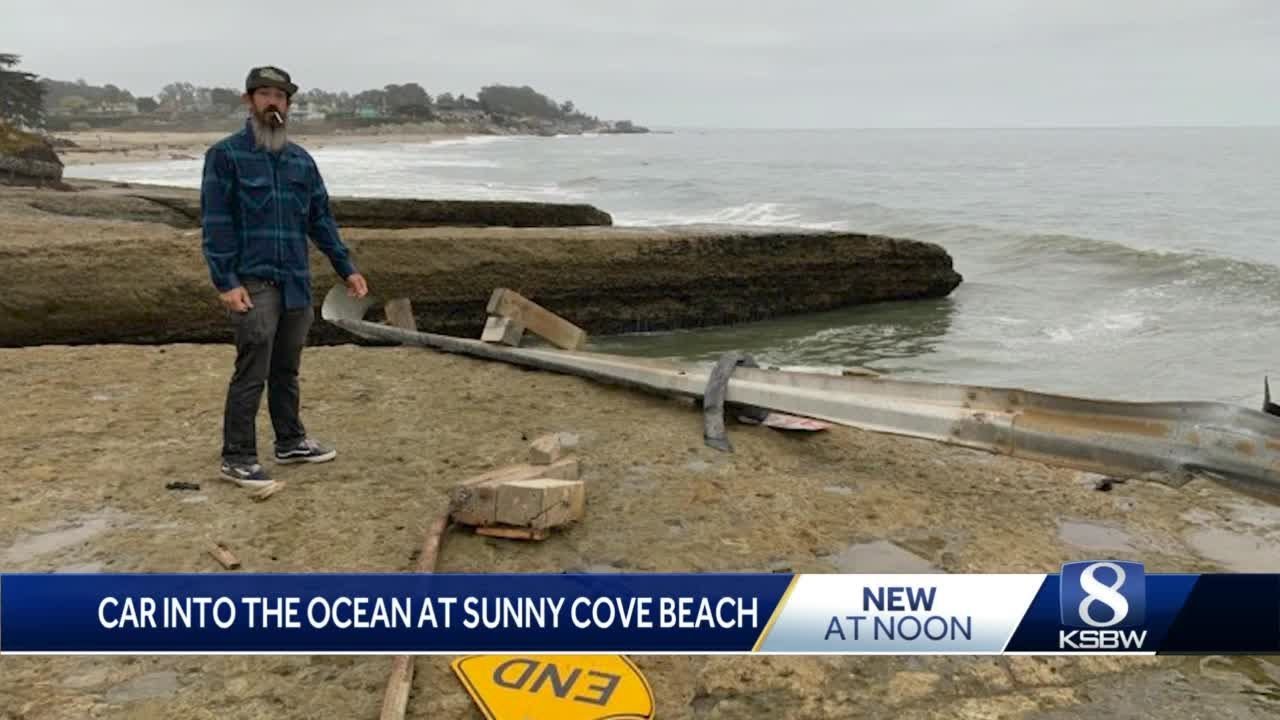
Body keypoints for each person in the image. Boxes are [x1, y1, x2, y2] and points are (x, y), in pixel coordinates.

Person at [200, 65, 369, 488]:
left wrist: (346, 268)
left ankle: (290, 441)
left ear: (288, 105)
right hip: (253, 281)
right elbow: (216, 224)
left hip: (295, 280)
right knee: (252, 368)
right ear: (249, 101)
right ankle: (237, 457)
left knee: (286, 368)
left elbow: (321, 220)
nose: (273, 103)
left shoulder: (301, 161)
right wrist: (226, 282)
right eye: (265, 94)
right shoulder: (225, 156)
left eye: (280, 96)